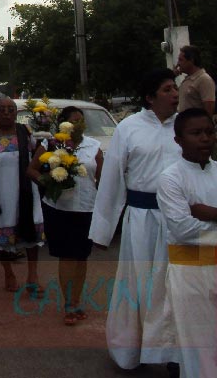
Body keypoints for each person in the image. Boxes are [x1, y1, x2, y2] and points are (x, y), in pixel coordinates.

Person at [89, 68, 182, 370]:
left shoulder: (185, 126)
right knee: (140, 284)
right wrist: (102, 230)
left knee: (176, 286)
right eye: (167, 89)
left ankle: (175, 355)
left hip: (179, 221)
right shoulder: (129, 128)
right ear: (150, 97)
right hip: (142, 220)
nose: (175, 94)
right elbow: (112, 179)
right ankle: (131, 351)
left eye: (175, 88)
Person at [157, 108, 217, 378]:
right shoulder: (171, 178)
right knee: (196, 347)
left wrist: (212, 213)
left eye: (209, 132)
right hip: (190, 273)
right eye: (196, 133)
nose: (205, 138)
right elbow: (184, 231)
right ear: (178, 140)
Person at [29, 105, 103, 325]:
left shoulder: (94, 146)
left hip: (87, 208)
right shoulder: (52, 144)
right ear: (63, 124)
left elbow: (102, 178)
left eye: (81, 120)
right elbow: (32, 169)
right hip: (60, 209)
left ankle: (77, 300)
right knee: (68, 256)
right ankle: (69, 304)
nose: (79, 125)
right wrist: (47, 181)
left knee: (82, 256)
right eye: (74, 121)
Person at [0, 97, 44, 294]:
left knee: (32, 233)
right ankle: (8, 273)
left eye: (10, 109)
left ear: (16, 113)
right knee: (1, 237)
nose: (6, 113)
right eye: (2, 109)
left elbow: (40, 151)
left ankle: (33, 276)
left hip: (27, 193)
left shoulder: (25, 132)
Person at [177, 45, 216, 115]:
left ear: (191, 60)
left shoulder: (204, 80)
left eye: (181, 60)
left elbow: (209, 110)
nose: (178, 63)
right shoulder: (187, 79)